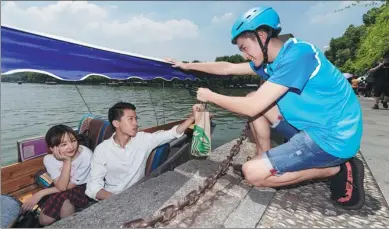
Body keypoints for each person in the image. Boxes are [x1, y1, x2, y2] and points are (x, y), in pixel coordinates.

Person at [166, 6, 365, 210]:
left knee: (252, 173)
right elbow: (226, 67)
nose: (244, 56)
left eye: (244, 48)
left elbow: (252, 108)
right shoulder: (270, 63)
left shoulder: (299, 54)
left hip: (331, 139)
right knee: (254, 95)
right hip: (311, 128)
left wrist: (210, 96)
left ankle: (336, 169)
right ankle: (265, 157)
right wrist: (186, 65)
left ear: (261, 36)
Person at [85, 102, 199, 201]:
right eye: (130, 119)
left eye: (136, 118)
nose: (136, 123)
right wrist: (116, 199)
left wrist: (192, 118)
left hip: (139, 193)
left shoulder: (143, 139)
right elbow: (93, 186)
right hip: (111, 197)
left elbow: (171, 133)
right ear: (116, 123)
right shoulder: (102, 150)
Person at [21, 124, 93, 226]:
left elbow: (66, 187)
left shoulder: (86, 155)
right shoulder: (49, 159)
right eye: (64, 144)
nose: (71, 146)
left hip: (83, 187)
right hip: (60, 185)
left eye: (73, 140)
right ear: (52, 148)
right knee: (44, 220)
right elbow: (60, 185)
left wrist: (41, 193)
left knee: (62, 196)